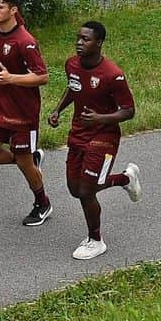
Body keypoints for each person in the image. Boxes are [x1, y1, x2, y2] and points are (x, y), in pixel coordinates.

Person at [48, 21, 141, 260]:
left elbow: (129, 111)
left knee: (87, 190)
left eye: (86, 39)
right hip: (78, 133)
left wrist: (100, 118)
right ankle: (125, 178)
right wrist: (59, 110)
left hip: (104, 137)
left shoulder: (113, 75)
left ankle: (95, 240)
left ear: (98, 43)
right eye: (78, 38)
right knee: (75, 189)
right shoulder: (71, 64)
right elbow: (73, 88)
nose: (80, 43)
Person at [0, 0, 52, 226]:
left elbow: (42, 76)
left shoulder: (25, 42)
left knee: (24, 164)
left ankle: (42, 202)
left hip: (22, 114)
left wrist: (11, 79)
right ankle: (29, 158)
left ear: (13, 10)